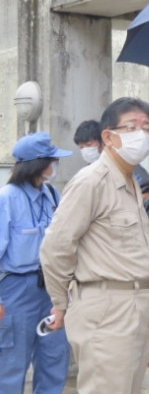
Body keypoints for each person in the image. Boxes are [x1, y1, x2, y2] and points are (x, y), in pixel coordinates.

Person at [40, 98, 149, 394]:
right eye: (131, 127)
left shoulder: (130, 180)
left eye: (147, 128)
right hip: (107, 307)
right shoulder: (92, 181)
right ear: (108, 136)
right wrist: (60, 302)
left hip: (138, 302)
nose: (141, 135)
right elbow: (56, 246)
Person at [0, 132, 71, 393]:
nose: (55, 165)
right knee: (11, 363)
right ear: (37, 164)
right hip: (16, 291)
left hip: (52, 289)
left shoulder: (52, 194)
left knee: (54, 358)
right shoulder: (7, 199)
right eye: (52, 160)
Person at [73, 119, 149, 199]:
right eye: (81, 147)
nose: (85, 150)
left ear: (104, 140)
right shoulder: (88, 172)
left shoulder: (124, 164)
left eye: (89, 144)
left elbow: (147, 194)